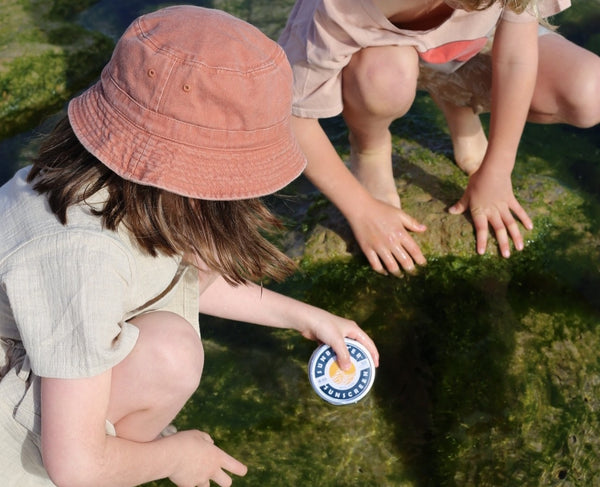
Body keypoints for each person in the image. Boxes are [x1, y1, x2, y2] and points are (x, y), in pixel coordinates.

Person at [0, 6, 379, 487]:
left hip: (47, 348)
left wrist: (307, 317)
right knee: (170, 355)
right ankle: (118, 459)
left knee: (171, 341)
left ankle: (121, 452)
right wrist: (177, 457)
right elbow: (75, 467)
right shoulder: (80, 255)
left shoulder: (113, 187)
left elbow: (179, 278)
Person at [279, 0, 600, 276]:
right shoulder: (340, 8)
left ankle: (456, 99)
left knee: (589, 92)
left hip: (468, 46)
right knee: (383, 79)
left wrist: (498, 170)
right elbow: (291, 114)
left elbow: (516, 57)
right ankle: (369, 145)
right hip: (381, 56)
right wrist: (360, 208)